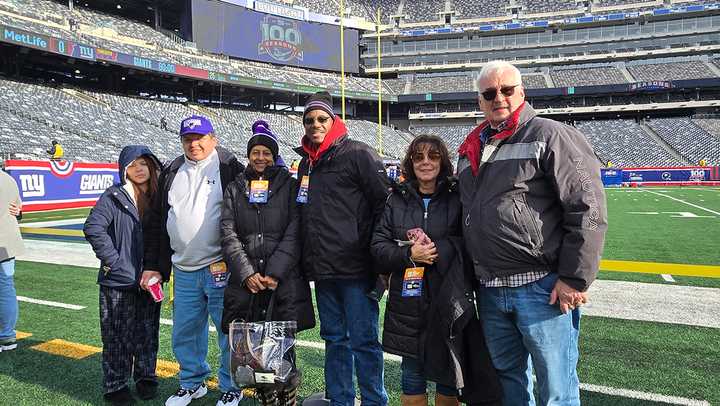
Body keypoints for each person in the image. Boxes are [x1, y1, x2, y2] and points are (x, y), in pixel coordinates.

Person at [457, 60, 608, 405]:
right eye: (490, 93)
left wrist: (574, 278)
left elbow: (588, 208)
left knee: (555, 388)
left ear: (521, 92)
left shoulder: (549, 134)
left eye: (507, 90)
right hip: (492, 290)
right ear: (480, 101)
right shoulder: (470, 149)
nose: (499, 98)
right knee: (509, 383)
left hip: (541, 287)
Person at [371, 135, 501, 406]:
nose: (425, 162)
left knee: (449, 377)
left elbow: (473, 242)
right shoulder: (396, 199)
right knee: (411, 376)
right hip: (408, 303)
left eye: (433, 156)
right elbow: (378, 248)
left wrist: (439, 250)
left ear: (443, 161)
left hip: (449, 297)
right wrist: (409, 254)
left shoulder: (458, 197)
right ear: (410, 162)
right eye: (418, 157)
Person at [295, 91, 390, 406]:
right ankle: (340, 399)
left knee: (363, 342)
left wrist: (376, 257)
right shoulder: (307, 163)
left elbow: (384, 205)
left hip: (356, 268)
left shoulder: (358, 153)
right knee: (334, 339)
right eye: (309, 120)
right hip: (323, 270)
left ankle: (375, 401)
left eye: (321, 119)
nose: (315, 125)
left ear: (333, 121)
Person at [143, 115, 245, 406]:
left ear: (213, 138)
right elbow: (160, 221)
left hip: (220, 266)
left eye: (200, 137)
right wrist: (155, 265)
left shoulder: (228, 166)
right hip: (183, 268)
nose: (194, 143)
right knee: (185, 331)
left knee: (228, 331)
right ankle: (192, 382)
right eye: (188, 138)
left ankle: (231, 386)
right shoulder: (172, 170)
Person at [220, 120, 315, 406]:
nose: (261, 157)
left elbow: (296, 229)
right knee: (253, 350)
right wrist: (247, 273)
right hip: (247, 285)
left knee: (283, 348)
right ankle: (266, 398)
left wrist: (274, 272)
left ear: (274, 156)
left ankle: (288, 398)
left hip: (282, 282)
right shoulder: (235, 187)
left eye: (267, 153)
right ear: (248, 156)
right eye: (255, 152)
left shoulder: (290, 185)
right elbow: (227, 232)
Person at [84, 145, 163, 405]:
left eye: (143, 163)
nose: (139, 169)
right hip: (118, 281)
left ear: (151, 166)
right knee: (116, 335)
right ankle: (115, 385)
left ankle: (145, 377)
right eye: (132, 164)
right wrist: (116, 263)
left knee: (147, 331)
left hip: (150, 281)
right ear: (124, 170)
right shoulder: (113, 196)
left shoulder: (159, 197)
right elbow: (93, 228)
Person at [0, 168, 23, 353]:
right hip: (7, 242)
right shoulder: (9, 180)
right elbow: (18, 210)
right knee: (6, 287)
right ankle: (7, 335)